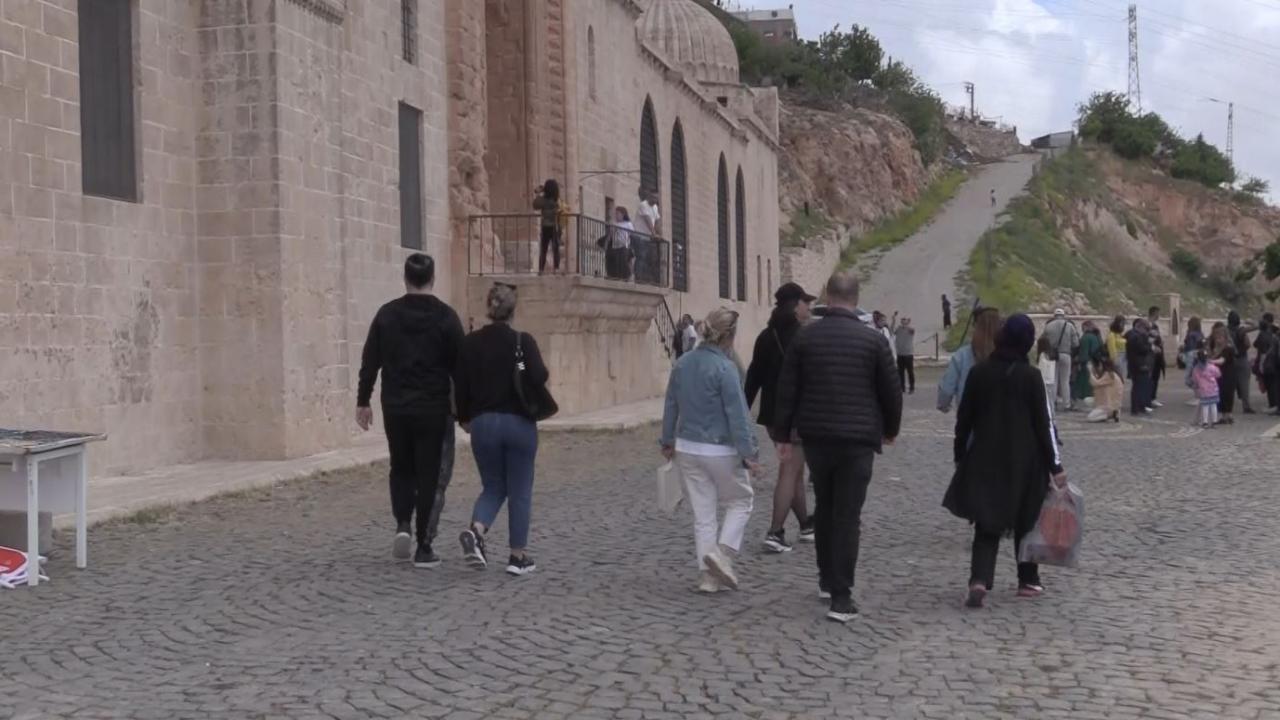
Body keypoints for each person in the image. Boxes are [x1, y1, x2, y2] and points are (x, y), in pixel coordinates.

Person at [773, 272, 902, 623]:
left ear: (829, 297)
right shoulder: (873, 341)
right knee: (848, 515)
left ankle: (827, 578)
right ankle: (842, 596)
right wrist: (890, 429)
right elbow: (891, 390)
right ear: (856, 299)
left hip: (817, 437)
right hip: (858, 439)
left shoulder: (806, 339)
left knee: (826, 507)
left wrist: (783, 435)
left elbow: (788, 389)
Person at [945, 313, 1067, 609]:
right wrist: (1056, 466)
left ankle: (979, 579)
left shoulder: (980, 373)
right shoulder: (1031, 377)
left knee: (987, 524)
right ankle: (1027, 580)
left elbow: (964, 422)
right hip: (1025, 461)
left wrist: (960, 455)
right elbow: (1044, 424)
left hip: (985, 456)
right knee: (1026, 522)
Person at [356, 253, 465, 567]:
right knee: (429, 473)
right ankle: (424, 546)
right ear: (433, 279)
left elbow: (369, 362)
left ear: (405, 279)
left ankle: (402, 522)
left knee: (401, 467)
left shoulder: (386, 315)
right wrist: (467, 410)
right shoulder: (446, 317)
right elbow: (461, 367)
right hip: (432, 407)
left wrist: (363, 401)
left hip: (395, 406)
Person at [660, 308, 762, 593]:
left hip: (688, 446)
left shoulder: (682, 363)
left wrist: (667, 440)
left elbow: (671, 404)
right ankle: (722, 554)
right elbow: (737, 415)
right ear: (729, 336)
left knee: (703, 514)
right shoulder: (725, 369)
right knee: (741, 501)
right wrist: (750, 453)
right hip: (720, 448)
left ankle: (708, 577)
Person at [455, 284, 550, 576]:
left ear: (488, 308)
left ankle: (477, 530)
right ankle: (517, 556)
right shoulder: (522, 342)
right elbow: (538, 375)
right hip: (518, 423)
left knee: (494, 485)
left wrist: (464, 417)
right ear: (513, 310)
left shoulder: (470, 343)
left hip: (483, 423)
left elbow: (460, 383)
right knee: (519, 489)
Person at [745, 283, 817, 554]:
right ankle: (775, 532)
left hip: (773, 417)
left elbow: (753, 378)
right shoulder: (804, 337)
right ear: (795, 305)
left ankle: (807, 525)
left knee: (796, 472)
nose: (808, 307)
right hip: (797, 416)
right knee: (790, 471)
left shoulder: (765, 336)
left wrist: (743, 411)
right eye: (805, 302)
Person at [939, 307, 1001, 413]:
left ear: (976, 326)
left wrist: (944, 405)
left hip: (968, 420)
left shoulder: (962, 355)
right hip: (1001, 421)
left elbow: (947, 389)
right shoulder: (1008, 354)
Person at [1042, 309, 1080, 411]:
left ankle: (1053, 402)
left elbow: (1043, 341)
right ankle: (1066, 404)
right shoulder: (1070, 326)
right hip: (1066, 354)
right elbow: (1076, 343)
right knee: (1065, 380)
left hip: (1052, 355)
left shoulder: (1048, 326)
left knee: (1053, 379)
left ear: (1054, 315)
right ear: (1063, 315)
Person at [1228, 311, 1257, 414]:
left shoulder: (1226, 331)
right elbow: (1248, 344)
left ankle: (1227, 407)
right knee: (1244, 384)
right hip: (1242, 359)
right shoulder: (1241, 331)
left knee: (1229, 385)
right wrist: (1249, 322)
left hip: (1230, 360)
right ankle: (1246, 406)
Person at [533, 180, 563, 273]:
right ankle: (556, 268)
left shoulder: (543, 200)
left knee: (544, 248)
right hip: (555, 226)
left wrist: (538, 193)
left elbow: (535, 205)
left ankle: (541, 269)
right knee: (555, 249)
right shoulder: (556, 200)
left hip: (545, 226)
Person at [1125, 318, 1155, 415]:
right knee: (1138, 387)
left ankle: (1140, 406)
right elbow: (1142, 349)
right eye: (1146, 329)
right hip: (1138, 364)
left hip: (1137, 364)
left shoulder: (1134, 335)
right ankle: (1136, 408)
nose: (1147, 332)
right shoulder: (1135, 336)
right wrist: (1150, 344)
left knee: (1141, 386)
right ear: (1140, 327)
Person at [1209, 322, 1236, 424]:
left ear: (1225, 337)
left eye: (1220, 337)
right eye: (1216, 337)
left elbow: (1222, 360)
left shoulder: (1228, 347)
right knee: (1220, 394)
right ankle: (1225, 415)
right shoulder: (1216, 347)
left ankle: (1228, 415)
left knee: (1227, 393)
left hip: (1228, 374)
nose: (1217, 339)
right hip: (1218, 374)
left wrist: (1211, 361)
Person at [1072, 321, 1103, 403]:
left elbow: (1084, 353)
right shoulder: (1096, 337)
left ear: (1085, 327)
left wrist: (1077, 361)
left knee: (1084, 381)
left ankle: (1082, 397)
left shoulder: (1085, 338)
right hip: (1095, 362)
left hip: (1087, 363)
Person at [1190, 348, 1221, 429]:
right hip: (1213, 389)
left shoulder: (1196, 369)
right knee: (1214, 405)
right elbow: (1218, 374)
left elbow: (1194, 379)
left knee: (1205, 406)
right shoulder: (1211, 366)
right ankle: (1214, 421)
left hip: (1203, 390)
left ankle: (1205, 422)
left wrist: (1196, 387)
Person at [1087, 356, 1123, 423]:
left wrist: (1090, 372)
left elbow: (1095, 383)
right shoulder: (1111, 374)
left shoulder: (1109, 375)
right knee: (1088, 401)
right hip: (1112, 404)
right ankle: (1110, 414)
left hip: (1110, 406)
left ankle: (1110, 414)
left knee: (1090, 417)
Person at [1254, 314, 1278, 411]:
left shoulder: (1263, 333)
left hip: (1266, 360)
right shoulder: (1275, 331)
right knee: (1273, 382)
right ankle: (1274, 405)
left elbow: (1256, 344)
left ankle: (1273, 405)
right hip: (1274, 360)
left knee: (1269, 383)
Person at [607, 206, 636, 280]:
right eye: (616, 214)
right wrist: (607, 243)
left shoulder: (628, 224)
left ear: (623, 214)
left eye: (618, 213)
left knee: (624, 262)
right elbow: (610, 234)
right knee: (616, 262)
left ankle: (626, 276)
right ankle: (616, 276)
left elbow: (632, 234)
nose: (616, 215)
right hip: (615, 245)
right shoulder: (614, 224)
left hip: (624, 245)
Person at [1147, 306, 1166, 408]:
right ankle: (1149, 398)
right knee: (1151, 378)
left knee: (1156, 377)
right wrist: (1154, 347)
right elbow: (1147, 340)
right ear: (1153, 313)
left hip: (1158, 356)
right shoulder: (1148, 325)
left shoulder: (1155, 326)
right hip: (1152, 356)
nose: (1159, 315)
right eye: (1158, 313)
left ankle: (1153, 397)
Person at [893, 317, 916, 394]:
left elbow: (912, 331)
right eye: (902, 321)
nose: (903, 323)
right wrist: (893, 320)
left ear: (907, 322)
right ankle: (902, 387)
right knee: (900, 372)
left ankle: (911, 387)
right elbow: (892, 331)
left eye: (905, 321)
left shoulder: (910, 329)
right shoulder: (898, 329)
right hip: (900, 354)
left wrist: (907, 325)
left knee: (910, 372)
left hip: (908, 354)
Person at [1182, 317, 1204, 392]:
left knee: (1189, 377)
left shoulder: (1191, 334)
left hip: (1191, 354)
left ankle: (1198, 392)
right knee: (1195, 374)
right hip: (1197, 354)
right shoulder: (1200, 333)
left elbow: (1189, 345)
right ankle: (1198, 392)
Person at [1036, 335, 1057, 408]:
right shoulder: (1051, 354)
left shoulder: (1042, 355)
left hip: (1044, 380)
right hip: (1051, 380)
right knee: (1050, 400)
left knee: (1046, 400)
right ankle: (1053, 416)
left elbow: (1040, 368)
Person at [1106, 315, 1128, 380]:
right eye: (1122, 324)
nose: (1123, 326)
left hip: (1123, 359)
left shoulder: (1119, 335)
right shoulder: (1111, 335)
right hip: (1117, 360)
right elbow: (1112, 350)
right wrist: (1115, 363)